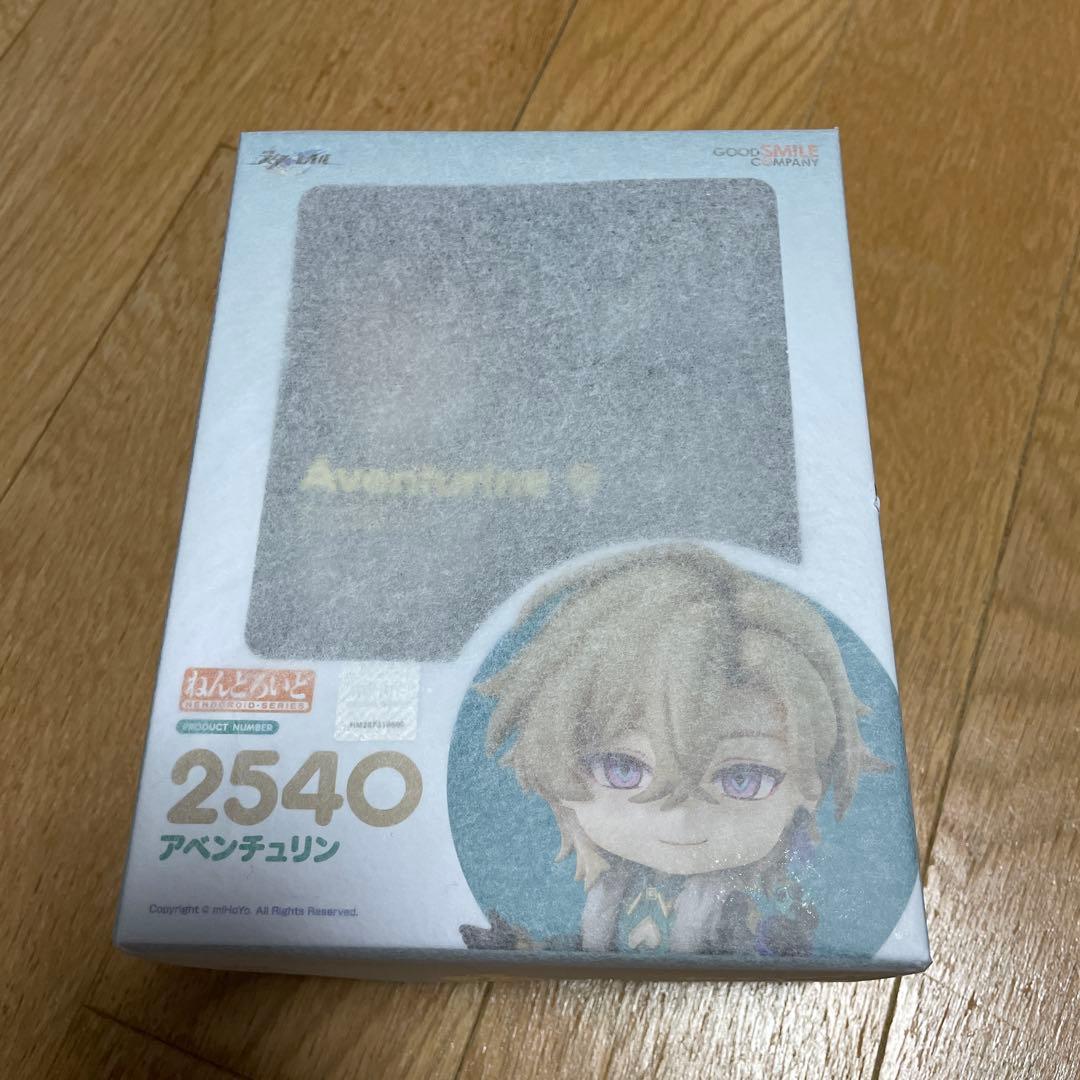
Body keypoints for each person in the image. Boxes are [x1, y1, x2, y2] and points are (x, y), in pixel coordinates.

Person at [460, 544, 885, 956]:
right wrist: (525, 948)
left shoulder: (758, 909)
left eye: (743, 779)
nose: (680, 818)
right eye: (622, 768)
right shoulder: (612, 889)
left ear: (810, 785)